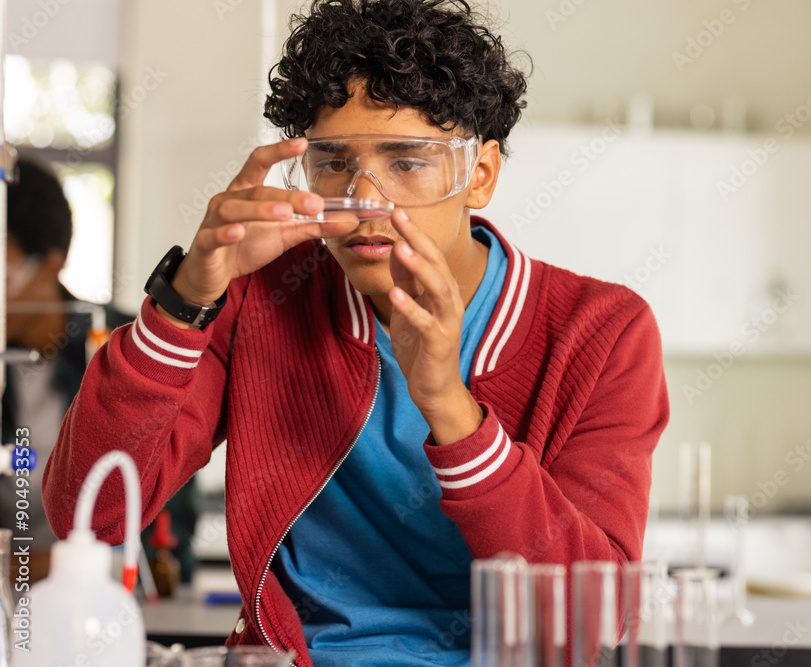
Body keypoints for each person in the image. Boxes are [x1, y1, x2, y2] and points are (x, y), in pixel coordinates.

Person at [43, 0, 670, 664]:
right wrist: (184, 301)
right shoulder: (261, 293)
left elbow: (595, 616)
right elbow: (91, 512)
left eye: (406, 162)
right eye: (334, 163)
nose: (366, 200)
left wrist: (451, 412)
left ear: (478, 174)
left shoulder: (600, 331)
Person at [2, 158, 133, 577]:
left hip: (100, 609)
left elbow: (160, 538)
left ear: (51, 264)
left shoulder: (124, 346)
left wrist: (34, 569)